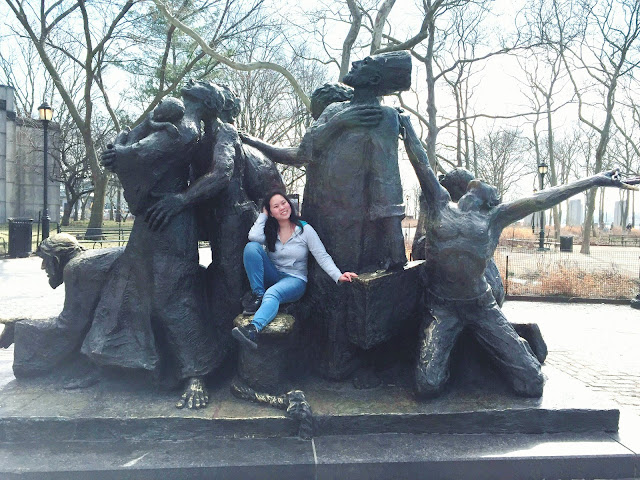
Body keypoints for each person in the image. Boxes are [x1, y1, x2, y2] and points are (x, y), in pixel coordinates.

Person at [399, 112, 639, 398]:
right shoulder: (440, 203)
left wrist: (594, 180)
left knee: (532, 383)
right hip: (442, 307)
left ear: (491, 200)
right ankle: (465, 361)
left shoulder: (494, 218)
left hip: (481, 305)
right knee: (428, 385)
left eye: (485, 185)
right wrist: (407, 126)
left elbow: (542, 199)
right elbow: (421, 164)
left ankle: (515, 347)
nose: (478, 182)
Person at [96, 88, 220, 410]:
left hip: (171, 221)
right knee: (135, 288)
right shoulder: (173, 122)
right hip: (151, 220)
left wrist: (122, 153)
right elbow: (136, 149)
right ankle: (144, 364)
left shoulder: (187, 127)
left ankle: (196, 372)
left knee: (173, 295)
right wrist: (124, 148)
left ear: (203, 101)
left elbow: (144, 152)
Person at [232, 191, 358, 350]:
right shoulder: (270, 230)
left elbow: (322, 256)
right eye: (276, 206)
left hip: (294, 280)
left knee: (273, 293)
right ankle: (258, 295)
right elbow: (253, 236)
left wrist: (338, 275)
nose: (282, 207)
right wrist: (263, 215)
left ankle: (253, 330)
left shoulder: (305, 230)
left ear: (289, 204)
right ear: (271, 212)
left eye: (283, 203)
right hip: (273, 274)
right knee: (251, 248)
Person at [0, 234, 121, 387]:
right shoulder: (85, 262)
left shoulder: (76, 267)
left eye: (45, 260)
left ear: (56, 260)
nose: (42, 266)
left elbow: (70, 326)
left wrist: (21, 327)